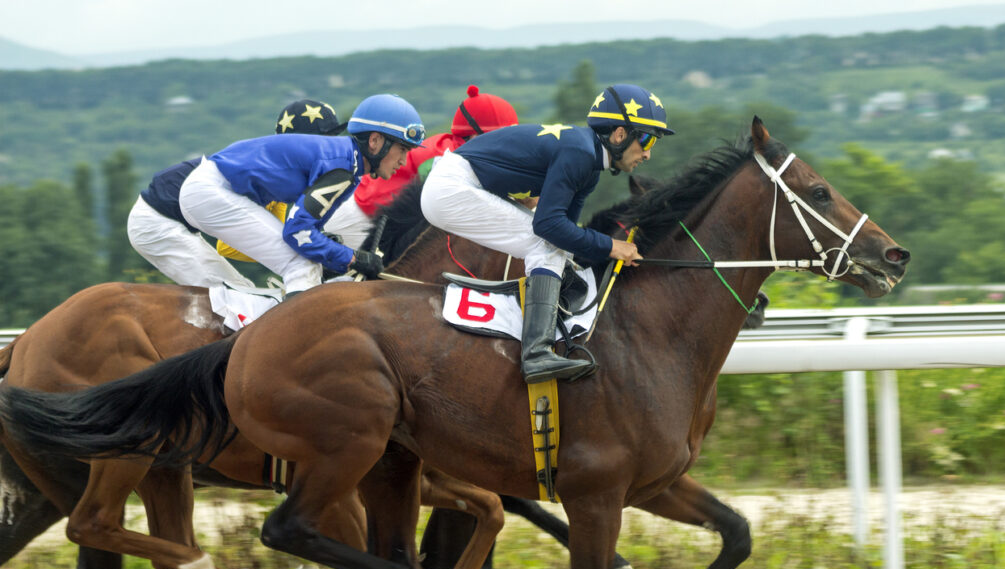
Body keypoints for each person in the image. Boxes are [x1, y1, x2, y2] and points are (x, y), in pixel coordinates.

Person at [420, 83, 672, 383]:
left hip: (459, 184)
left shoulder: (589, 165)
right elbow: (549, 229)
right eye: (647, 140)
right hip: (451, 187)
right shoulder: (580, 152)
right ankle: (536, 353)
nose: (648, 154)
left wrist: (603, 252)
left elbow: (566, 233)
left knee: (556, 248)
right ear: (619, 134)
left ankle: (545, 335)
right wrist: (611, 247)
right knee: (547, 246)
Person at [178, 94, 424, 295]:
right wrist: (353, 258)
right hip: (211, 192)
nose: (404, 160)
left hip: (209, 190)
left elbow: (306, 230)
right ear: (375, 140)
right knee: (301, 263)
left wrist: (339, 253)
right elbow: (297, 232)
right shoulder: (342, 168)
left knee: (306, 261)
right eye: (402, 149)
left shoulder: (349, 165)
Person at [126, 99, 346, 288]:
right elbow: (228, 248)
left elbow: (276, 235)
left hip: (172, 216)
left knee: (244, 291)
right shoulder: (274, 175)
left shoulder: (282, 169)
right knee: (235, 295)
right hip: (157, 223)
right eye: (325, 141)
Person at [322, 85, 519, 251]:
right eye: (500, 138)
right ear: (476, 135)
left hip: (369, 211)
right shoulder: (450, 156)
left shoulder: (454, 147)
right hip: (360, 217)